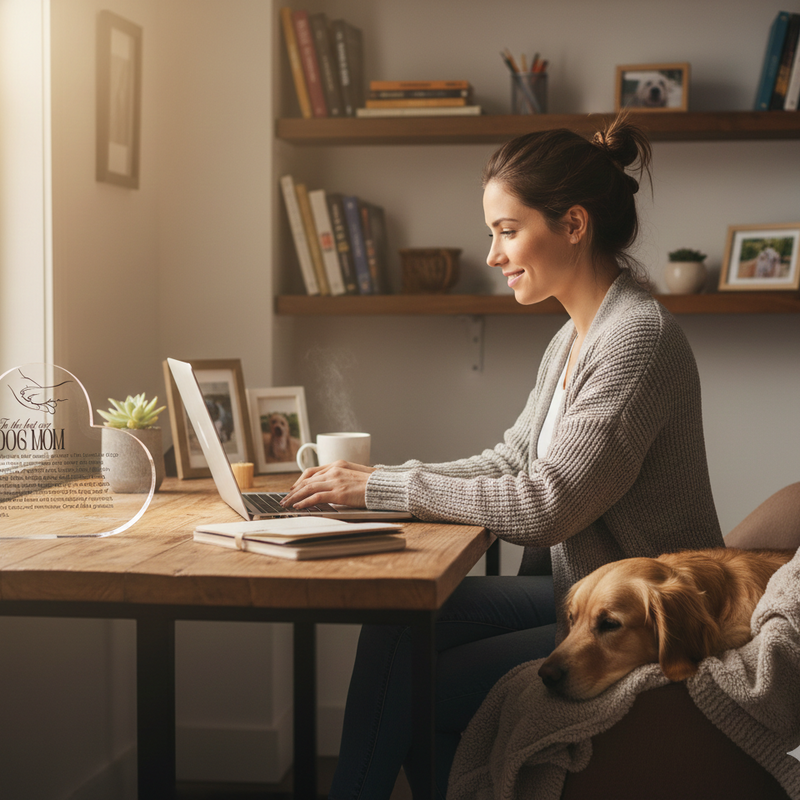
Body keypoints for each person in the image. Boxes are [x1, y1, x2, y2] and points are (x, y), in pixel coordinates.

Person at [280, 115, 724, 799]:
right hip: (579, 598)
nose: (492, 255)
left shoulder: (636, 340)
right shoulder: (576, 336)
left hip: (637, 628)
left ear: (573, 224)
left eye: (506, 231)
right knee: (398, 628)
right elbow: (512, 458)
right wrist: (369, 482)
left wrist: (383, 489)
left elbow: (547, 505)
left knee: (415, 691)